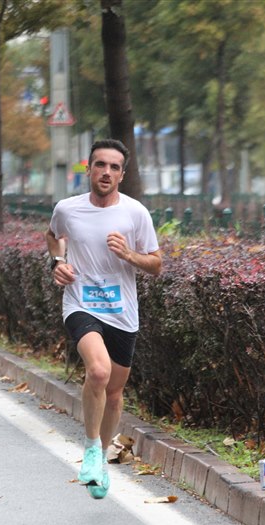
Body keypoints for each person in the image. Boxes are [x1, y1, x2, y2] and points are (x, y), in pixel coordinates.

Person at [45, 139, 161, 499]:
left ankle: (100, 463)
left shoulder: (135, 213)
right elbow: (53, 236)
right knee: (98, 371)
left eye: (114, 167)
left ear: (122, 175)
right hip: (81, 303)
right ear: (89, 169)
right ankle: (92, 448)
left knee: (113, 394)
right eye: (100, 165)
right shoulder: (67, 209)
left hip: (122, 312)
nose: (106, 172)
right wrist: (58, 263)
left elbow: (156, 264)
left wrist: (129, 254)